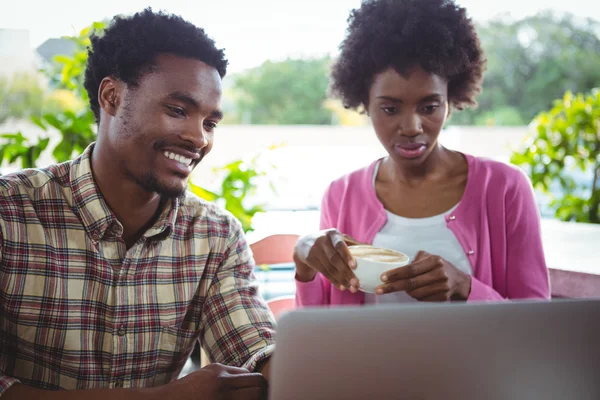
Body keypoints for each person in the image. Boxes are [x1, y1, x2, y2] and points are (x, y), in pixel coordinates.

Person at [0, 9, 274, 400]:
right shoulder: (10, 213)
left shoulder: (216, 235)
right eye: (178, 110)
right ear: (112, 96)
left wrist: (290, 366)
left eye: (210, 123)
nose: (199, 139)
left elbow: (253, 346)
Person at [294, 0, 550, 307]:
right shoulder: (341, 195)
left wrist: (465, 287)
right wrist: (304, 265)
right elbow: (319, 328)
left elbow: (534, 321)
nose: (412, 127)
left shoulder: (504, 187)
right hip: (369, 358)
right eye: (390, 109)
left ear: (450, 98)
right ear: (365, 102)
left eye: (429, 107)